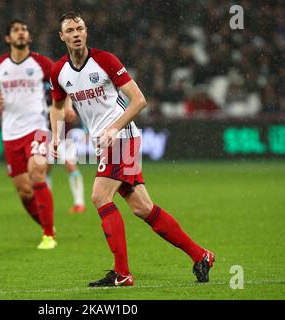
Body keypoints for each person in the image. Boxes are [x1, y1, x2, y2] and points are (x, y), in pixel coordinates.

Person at [50, 12, 215, 286]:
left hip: (122, 137)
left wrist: (114, 128)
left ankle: (122, 274)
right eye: (70, 30)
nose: (76, 33)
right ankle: (201, 255)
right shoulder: (59, 72)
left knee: (100, 196)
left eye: (80, 28)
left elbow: (139, 100)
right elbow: (57, 106)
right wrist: (55, 136)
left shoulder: (105, 60)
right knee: (143, 208)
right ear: (62, 36)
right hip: (104, 144)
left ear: (86, 32)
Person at [0, 20, 56, 249]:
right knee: (25, 192)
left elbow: (61, 82)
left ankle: (48, 235)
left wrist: (64, 106)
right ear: (8, 38)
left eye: (24, 30)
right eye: (16, 30)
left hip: (37, 128)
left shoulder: (41, 63)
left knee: (37, 174)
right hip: (10, 133)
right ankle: (47, 226)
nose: (21, 33)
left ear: (29, 37)